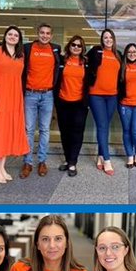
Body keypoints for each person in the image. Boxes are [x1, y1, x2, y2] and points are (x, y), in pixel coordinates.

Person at [0, 25, 28, 184]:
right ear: (5, 36)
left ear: (19, 39)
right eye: (10, 34)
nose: (12, 37)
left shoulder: (20, 55)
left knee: (8, 132)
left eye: (16, 35)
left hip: (14, 98)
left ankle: (1, 167)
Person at [20, 23, 60, 177]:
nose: (45, 35)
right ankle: (27, 162)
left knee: (44, 129)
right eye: (42, 32)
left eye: (48, 33)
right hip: (30, 94)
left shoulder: (55, 49)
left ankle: (42, 161)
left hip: (47, 95)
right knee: (29, 130)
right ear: (37, 33)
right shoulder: (28, 48)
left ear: (51, 35)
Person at [85, 28, 123, 175]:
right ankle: (107, 159)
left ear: (113, 39)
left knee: (105, 126)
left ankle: (100, 156)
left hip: (112, 96)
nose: (108, 39)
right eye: (105, 37)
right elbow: (83, 60)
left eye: (110, 37)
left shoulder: (117, 55)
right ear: (102, 39)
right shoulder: (96, 51)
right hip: (96, 95)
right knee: (102, 125)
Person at [54, 35, 89, 176]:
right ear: (69, 46)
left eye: (79, 46)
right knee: (65, 133)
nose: (76, 47)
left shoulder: (86, 62)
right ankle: (68, 160)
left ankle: (73, 162)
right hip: (63, 102)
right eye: (73, 45)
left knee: (77, 133)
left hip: (79, 104)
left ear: (82, 48)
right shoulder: (62, 61)